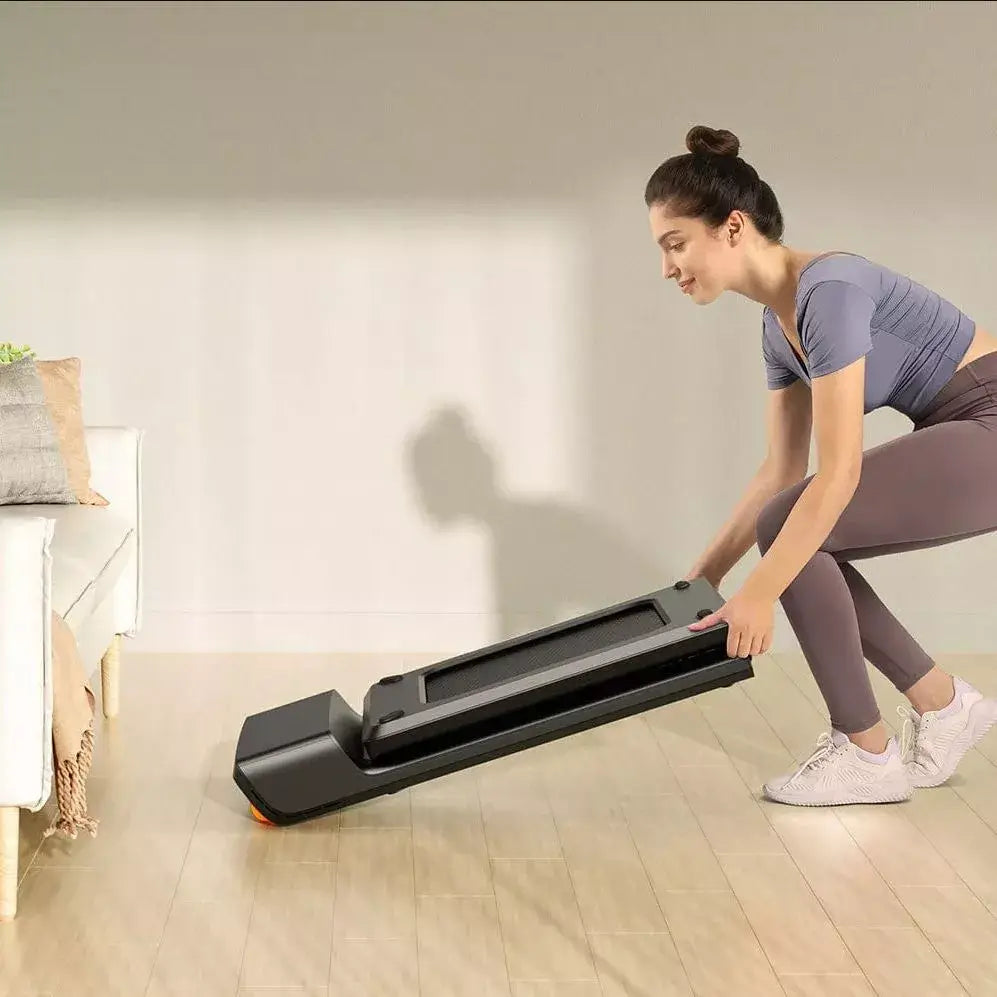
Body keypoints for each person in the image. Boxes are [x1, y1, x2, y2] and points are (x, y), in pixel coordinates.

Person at [646, 124, 997, 806]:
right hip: (964, 426)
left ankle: (865, 752)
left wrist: (758, 593)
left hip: (988, 421)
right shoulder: (779, 325)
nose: (666, 267)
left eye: (674, 243)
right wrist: (703, 579)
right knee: (796, 527)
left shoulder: (827, 294)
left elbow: (838, 476)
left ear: (732, 227)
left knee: (797, 527)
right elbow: (780, 472)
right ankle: (943, 705)